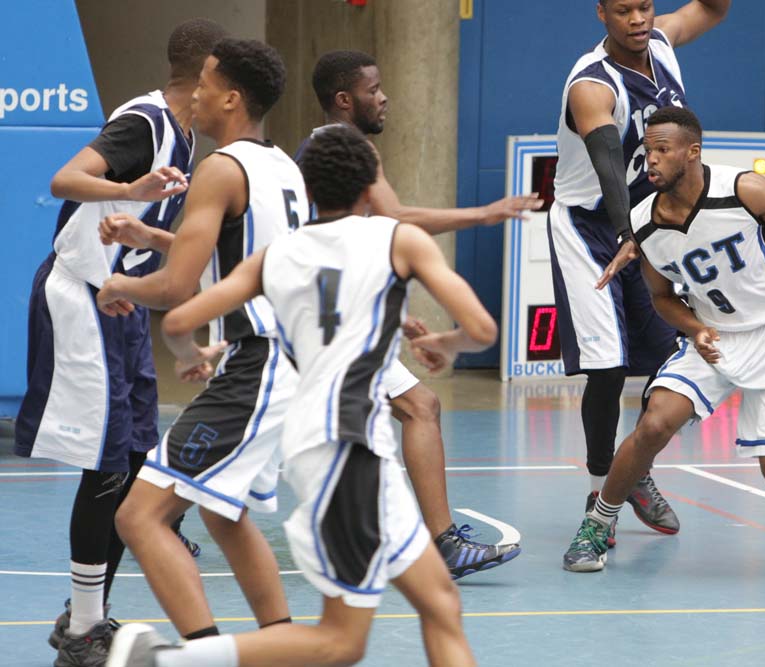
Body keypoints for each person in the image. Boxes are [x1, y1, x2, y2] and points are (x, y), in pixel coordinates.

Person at [106, 124, 487, 667]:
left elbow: (183, 315)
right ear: (369, 191)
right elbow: (480, 328)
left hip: (353, 452)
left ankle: (188, 653)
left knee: (441, 604)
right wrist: (448, 345)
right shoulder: (396, 241)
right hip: (346, 450)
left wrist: (193, 354)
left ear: (307, 190)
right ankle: (164, 661)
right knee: (341, 642)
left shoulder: (281, 255)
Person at [562, 106, 765, 571]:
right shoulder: (645, 221)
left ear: (693, 152)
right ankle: (597, 524)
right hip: (712, 338)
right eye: (647, 150)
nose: (651, 160)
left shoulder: (743, 190)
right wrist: (696, 328)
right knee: (652, 425)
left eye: (662, 150)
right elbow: (662, 297)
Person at [13, 17, 226, 666]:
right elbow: (67, 179)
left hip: (124, 305)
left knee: (133, 463)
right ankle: (82, 627)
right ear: (209, 73)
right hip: (82, 298)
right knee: (107, 465)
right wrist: (128, 189)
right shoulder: (145, 123)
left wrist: (188, 346)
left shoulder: (187, 138)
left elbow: (170, 252)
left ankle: (87, 618)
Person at [94, 38, 308, 642]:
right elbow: (237, 258)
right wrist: (151, 234)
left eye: (207, 84)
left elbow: (177, 287)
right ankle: (280, 645)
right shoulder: (280, 165)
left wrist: (120, 284)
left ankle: (206, 655)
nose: (196, 93)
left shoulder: (217, 168)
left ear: (232, 98)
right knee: (222, 509)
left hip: (259, 365)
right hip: (280, 359)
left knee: (139, 517)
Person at [299, 50, 540, 578]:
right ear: (345, 100)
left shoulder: (331, 146)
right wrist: (486, 212)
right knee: (414, 409)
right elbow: (395, 219)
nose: (384, 97)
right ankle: (438, 543)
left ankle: (428, 538)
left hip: (337, 315)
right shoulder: (344, 149)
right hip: (325, 325)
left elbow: (358, 240)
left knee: (415, 408)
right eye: (373, 88)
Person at [547, 0, 729, 545]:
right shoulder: (591, 84)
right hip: (593, 227)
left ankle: (637, 466)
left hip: (646, 224)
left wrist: (642, 232)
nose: (638, 19)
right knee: (605, 367)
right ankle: (604, 485)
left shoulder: (664, 45)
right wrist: (627, 234)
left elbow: (712, 9)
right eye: (624, 9)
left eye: (645, 6)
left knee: (670, 352)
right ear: (601, 13)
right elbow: (607, 162)